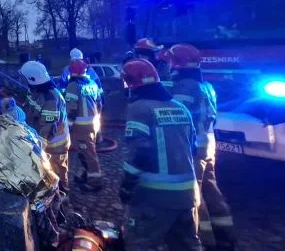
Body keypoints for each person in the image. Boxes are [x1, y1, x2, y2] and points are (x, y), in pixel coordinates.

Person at [119, 58, 201, 251]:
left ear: (131, 83)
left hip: (154, 197)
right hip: (187, 195)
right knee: (186, 245)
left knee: (138, 243)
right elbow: (193, 148)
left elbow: (139, 152)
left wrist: (127, 185)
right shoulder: (181, 109)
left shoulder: (139, 109)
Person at [167, 43, 236, 250]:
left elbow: (177, 120)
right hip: (208, 143)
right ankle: (225, 233)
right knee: (211, 188)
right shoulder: (206, 86)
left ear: (178, 64)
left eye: (171, 61)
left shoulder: (184, 88)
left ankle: (204, 239)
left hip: (192, 148)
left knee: (193, 193)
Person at [20, 60, 71, 193]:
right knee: (46, 174)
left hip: (55, 145)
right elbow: (29, 110)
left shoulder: (51, 100)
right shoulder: (35, 91)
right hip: (42, 141)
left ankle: (62, 197)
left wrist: (37, 149)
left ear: (32, 79)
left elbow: (48, 129)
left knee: (57, 174)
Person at [65, 59, 104, 190]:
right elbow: (99, 103)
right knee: (84, 151)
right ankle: (87, 174)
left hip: (80, 125)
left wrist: (68, 126)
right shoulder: (92, 83)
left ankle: (95, 182)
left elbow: (71, 107)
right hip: (93, 123)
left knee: (88, 152)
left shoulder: (73, 85)